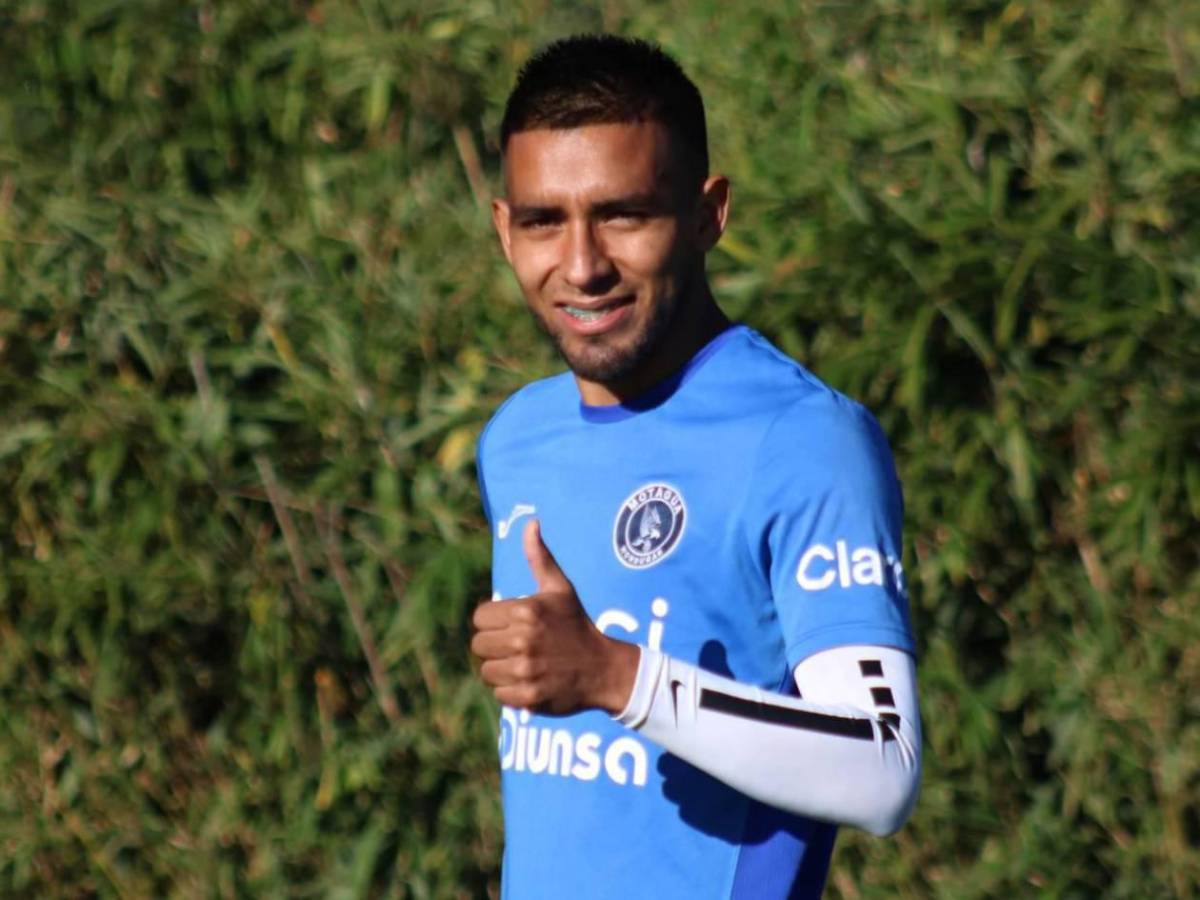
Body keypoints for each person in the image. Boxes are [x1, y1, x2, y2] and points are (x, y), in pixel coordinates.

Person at [472, 34, 921, 899]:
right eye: (543, 222)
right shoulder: (516, 435)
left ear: (709, 213)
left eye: (624, 215)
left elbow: (883, 767)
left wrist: (616, 677)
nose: (582, 266)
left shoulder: (804, 438)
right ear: (504, 228)